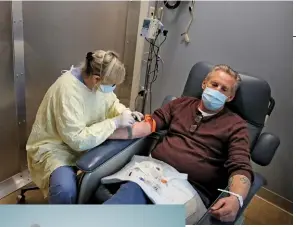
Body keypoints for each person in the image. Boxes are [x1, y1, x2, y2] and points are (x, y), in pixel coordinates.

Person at [101, 64, 254, 223]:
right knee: (122, 203)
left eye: (224, 89)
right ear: (204, 84)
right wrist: (104, 134)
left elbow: (240, 166)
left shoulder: (236, 125)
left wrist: (236, 198)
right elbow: (148, 125)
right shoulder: (180, 104)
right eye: (214, 84)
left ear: (230, 97)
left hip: (190, 188)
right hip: (153, 173)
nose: (217, 91)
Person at [26, 50, 143, 204]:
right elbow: (77, 140)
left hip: (85, 140)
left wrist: (125, 112)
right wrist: (114, 123)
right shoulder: (68, 91)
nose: (113, 88)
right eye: (112, 85)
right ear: (96, 79)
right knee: (65, 190)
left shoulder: (98, 83)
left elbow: (111, 103)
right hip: (56, 147)